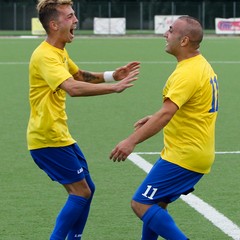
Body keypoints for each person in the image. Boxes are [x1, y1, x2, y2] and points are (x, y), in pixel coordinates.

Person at [26, 0, 140, 239]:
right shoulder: (45, 56)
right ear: (54, 24)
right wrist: (115, 88)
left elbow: (78, 75)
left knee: (88, 189)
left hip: (58, 135)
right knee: (80, 192)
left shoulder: (59, 52)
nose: (76, 20)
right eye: (70, 16)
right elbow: (73, 87)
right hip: (47, 138)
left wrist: (111, 75)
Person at [110, 16, 219, 240]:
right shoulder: (200, 66)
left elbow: (167, 113)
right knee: (156, 202)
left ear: (184, 40)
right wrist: (153, 117)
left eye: (170, 31)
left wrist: (131, 141)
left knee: (140, 203)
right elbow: (193, 107)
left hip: (184, 156)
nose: (165, 34)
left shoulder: (186, 73)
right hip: (192, 153)